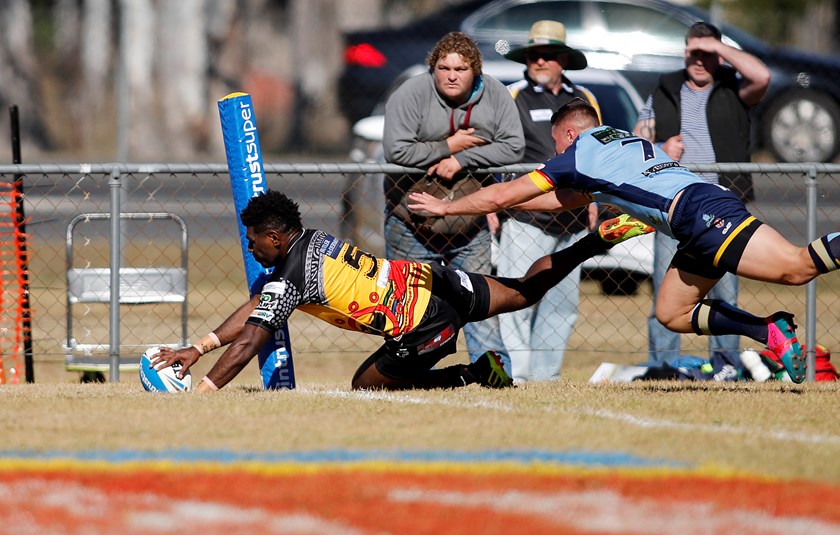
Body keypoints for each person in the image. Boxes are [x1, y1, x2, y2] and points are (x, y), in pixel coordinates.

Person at [408, 98, 840, 384]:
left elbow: (506, 193)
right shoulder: (618, 142)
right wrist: (511, 205)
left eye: (556, 145)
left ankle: (772, 329)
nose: (553, 155)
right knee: (671, 312)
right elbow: (564, 200)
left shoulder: (577, 154)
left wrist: (447, 207)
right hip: (690, 219)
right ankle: (768, 329)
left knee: (795, 268)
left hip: (699, 211)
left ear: (569, 135)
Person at [151, 190, 652, 393]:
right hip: (430, 278)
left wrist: (205, 389)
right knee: (524, 292)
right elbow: (259, 304)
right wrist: (198, 347)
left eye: (254, 239)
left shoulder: (292, 274)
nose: (250, 246)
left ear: (276, 237)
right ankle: (595, 241)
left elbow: (251, 340)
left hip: (424, 322)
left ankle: (473, 374)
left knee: (365, 386)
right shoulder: (309, 244)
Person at [382, 31, 525, 374]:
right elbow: (396, 150)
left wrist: (463, 160)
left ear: (475, 70)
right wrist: (448, 146)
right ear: (433, 68)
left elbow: (514, 147)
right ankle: (405, 375)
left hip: (469, 225)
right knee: (408, 309)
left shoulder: (495, 95)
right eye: (443, 67)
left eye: (460, 68)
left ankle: (494, 373)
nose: (451, 75)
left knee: (480, 306)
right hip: (411, 224)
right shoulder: (411, 94)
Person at [633, 21, 771, 366]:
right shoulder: (663, 89)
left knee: (725, 292)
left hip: (724, 206)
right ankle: (662, 365)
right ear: (684, 52)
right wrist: (660, 147)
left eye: (707, 54)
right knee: (665, 290)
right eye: (694, 52)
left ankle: (725, 365)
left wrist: (716, 46)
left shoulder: (734, 89)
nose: (700, 60)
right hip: (674, 205)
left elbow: (763, 76)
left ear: (719, 56)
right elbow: (636, 144)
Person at [498, 20, 601, 383]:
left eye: (547, 55)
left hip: (571, 221)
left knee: (562, 304)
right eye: (532, 55)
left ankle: (546, 377)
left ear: (563, 59)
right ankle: (518, 376)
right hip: (526, 220)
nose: (538, 61)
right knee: (515, 298)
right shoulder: (511, 96)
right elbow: (494, 153)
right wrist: (495, 206)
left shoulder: (585, 99)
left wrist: (593, 203)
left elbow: (597, 153)